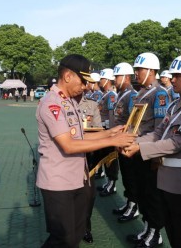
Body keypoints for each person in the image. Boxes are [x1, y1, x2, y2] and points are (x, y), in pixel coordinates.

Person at [36, 54, 136, 248]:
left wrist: (108, 133)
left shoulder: (70, 101)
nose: (85, 86)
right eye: (83, 81)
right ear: (67, 76)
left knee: (75, 235)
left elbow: (79, 137)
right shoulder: (52, 103)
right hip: (58, 183)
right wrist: (112, 140)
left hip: (76, 178)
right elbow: (69, 145)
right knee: (62, 239)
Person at [123, 54, 181, 248]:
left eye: (178, 76)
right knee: (172, 231)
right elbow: (157, 134)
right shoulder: (174, 105)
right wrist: (131, 141)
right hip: (166, 178)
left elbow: (176, 143)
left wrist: (138, 147)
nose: (172, 79)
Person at [127, 52, 169, 247]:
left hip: (148, 151)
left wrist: (155, 157)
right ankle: (146, 228)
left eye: (140, 69)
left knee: (152, 194)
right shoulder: (142, 93)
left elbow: (160, 129)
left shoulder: (159, 94)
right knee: (142, 192)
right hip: (137, 150)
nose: (136, 73)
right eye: (135, 70)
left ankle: (155, 232)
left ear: (151, 71)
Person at [111, 62, 140, 222]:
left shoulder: (132, 95)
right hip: (119, 141)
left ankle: (133, 206)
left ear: (126, 77)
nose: (115, 79)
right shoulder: (122, 94)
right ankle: (129, 202)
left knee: (131, 176)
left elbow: (133, 122)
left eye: (117, 76)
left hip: (127, 142)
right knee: (126, 176)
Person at [77, 88, 102, 244]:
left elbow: (98, 128)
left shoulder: (92, 105)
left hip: (88, 158)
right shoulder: (61, 104)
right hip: (68, 157)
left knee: (89, 196)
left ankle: (86, 228)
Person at [96, 68, 119, 197]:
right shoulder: (105, 95)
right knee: (106, 157)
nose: (100, 81)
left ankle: (112, 183)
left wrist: (111, 132)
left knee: (111, 159)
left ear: (108, 80)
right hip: (103, 130)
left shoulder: (111, 95)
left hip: (109, 131)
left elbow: (111, 115)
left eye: (102, 79)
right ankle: (109, 181)